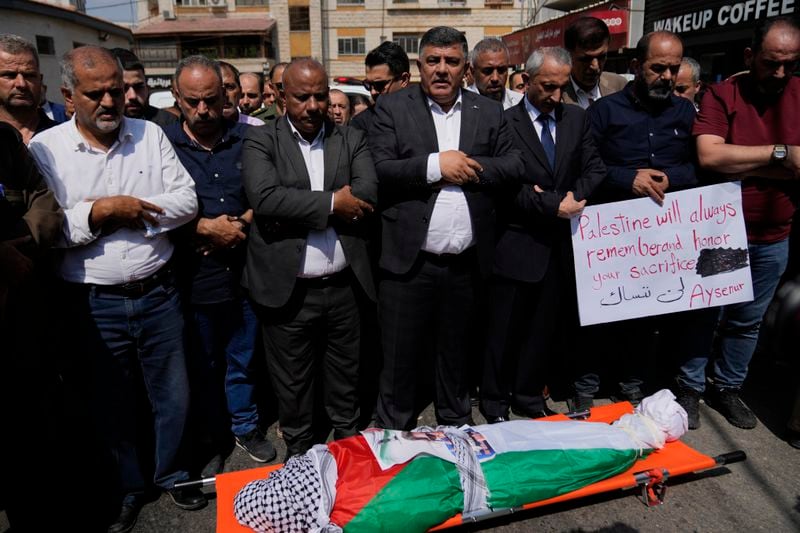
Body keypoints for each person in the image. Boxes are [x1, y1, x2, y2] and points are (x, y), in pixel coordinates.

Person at [27, 46, 202, 532]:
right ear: (68, 96)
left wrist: (130, 211)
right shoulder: (46, 150)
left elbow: (186, 199)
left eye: (117, 89)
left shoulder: (149, 134)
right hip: (90, 303)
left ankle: (174, 474)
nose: (111, 100)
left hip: (158, 293)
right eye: (95, 92)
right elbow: (49, 229)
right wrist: (99, 213)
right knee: (110, 401)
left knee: (174, 395)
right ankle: (128, 487)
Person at [370, 26, 524, 430]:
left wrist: (467, 168)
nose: (441, 70)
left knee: (456, 352)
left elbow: (513, 165)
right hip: (409, 263)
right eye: (433, 61)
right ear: (419, 65)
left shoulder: (488, 112)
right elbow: (381, 168)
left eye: (451, 62)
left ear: (465, 69)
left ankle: (455, 424)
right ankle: (394, 428)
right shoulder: (392, 108)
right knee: (400, 355)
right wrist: (438, 165)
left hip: (467, 264)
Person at [241, 58, 377, 458]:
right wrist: (336, 202)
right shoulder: (261, 140)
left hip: (343, 286)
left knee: (345, 374)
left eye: (320, 95)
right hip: (288, 290)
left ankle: (349, 445)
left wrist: (301, 205)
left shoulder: (350, 138)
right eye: (302, 97)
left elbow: (368, 190)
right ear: (282, 96)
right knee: (293, 382)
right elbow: (265, 198)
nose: (314, 106)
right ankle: (300, 452)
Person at [585, 31, 717, 415]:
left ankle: (633, 385)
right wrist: (628, 178)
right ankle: (585, 386)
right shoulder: (604, 111)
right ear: (634, 68)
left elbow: (700, 167)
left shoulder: (685, 113)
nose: (666, 76)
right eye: (657, 68)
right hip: (609, 235)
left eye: (673, 69)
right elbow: (587, 165)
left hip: (661, 239)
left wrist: (670, 178)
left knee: (645, 317)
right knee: (598, 313)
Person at [480, 47, 606, 423]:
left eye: (561, 87)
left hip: (560, 248)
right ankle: (494, 402)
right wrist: (552, 206)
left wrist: (571, 197)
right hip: (516, 245)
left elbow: (595, 167)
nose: (554, 96)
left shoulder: (576, 119)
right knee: (503, 332)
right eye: (547, 87)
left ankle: (529, 397)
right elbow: (504, 186)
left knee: (542, 331)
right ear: (527, 80)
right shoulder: (504, 123)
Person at [686, 17, 800, 430]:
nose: (781, 73)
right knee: (706, 315)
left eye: (790, 63)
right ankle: (691, 388)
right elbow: (712, 157)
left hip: (775, 237)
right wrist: (783, 156)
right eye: (772, 63)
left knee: (747, 320)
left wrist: (746, 160)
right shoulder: (723, 94)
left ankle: (728, 387)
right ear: (751, 56)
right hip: (722, 231)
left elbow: (731, 158)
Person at [165, 56, 277, 472]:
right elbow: (153, 207)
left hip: (245, 273)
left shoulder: (249, 141)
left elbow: (268, 194)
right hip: (192, 279)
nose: (203, 110)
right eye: (192, 102)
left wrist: (240, 225)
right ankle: (212, 436)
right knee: (203, 365)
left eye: (211, 99)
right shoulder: (162, 144)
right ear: (177, 98)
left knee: (242, 358)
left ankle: (246, 426)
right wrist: (201, 229)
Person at [0, 121, 64, 531]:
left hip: (21, 316)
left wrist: (19, 243)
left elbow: (43, 201)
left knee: (25, 432)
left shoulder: (4, 140)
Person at [0, 34, 56, 143]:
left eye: (29, 75)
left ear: (40, 80)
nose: (21, 84)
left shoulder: (67, 139)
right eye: (9, 75)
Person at [562, 17, 627, 109]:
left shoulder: (620, 86)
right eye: (586, 59)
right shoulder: (556, 94)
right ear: (569, 55)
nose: (595, 66)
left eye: (601, 57)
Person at [110, 48, 179, 129]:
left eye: (138, 87)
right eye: (123, 88)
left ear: (147, 87)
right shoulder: (98, 129)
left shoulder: (167, 123)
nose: (133, 96)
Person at [350, 41, 410, 132]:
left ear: (404, 80)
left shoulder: (425, 115)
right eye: (369, 84)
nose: (373, 92)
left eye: (380, 85)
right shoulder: (360, 125)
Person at [466, 37, 523, 109]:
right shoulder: (460, 106)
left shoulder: (521, 104)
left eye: (501, 70)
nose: (495, 78)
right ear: (473, 72)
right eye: (487, 71)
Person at [219, 61, 264, 126]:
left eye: (230, 87)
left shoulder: (257, 126)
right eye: (219, 88)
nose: (225, 94)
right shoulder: (201, 130)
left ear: (239, 91)